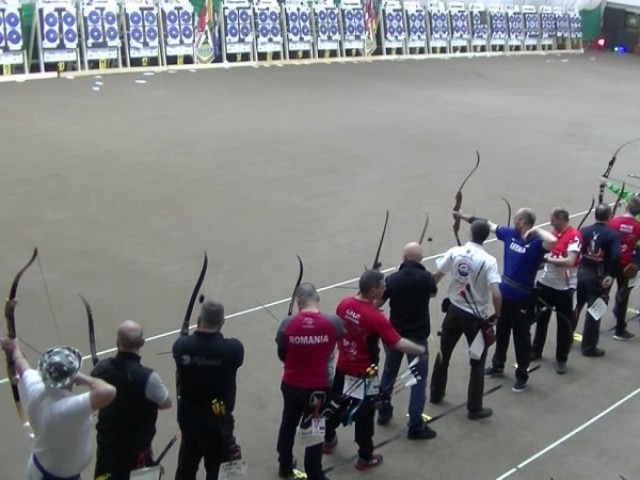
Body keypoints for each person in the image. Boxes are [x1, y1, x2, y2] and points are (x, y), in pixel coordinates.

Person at [322, 270, 427, 471]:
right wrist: (420, 350)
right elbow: (397, 342)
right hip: (365, 374)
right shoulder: (375, 317)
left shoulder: (344, 304)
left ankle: (328, 440)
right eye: (382, 286)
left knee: (335, 404)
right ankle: (365, 456)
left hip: (343, 366)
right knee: (365, 416)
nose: (385, 289)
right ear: (372, 291)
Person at [1, 306, 116, 480]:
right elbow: (108, 391)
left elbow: (21, 364)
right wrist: (84, 378)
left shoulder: (37, 387)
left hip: (44, 469)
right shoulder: (67, 408)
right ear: (70, 378)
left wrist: (14, 349)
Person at [429, 219, 502, 419]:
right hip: (475, 317)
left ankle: (435, 394)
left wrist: (430, 290)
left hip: (453, 312)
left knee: (443, 353)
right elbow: (496, 293)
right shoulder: (489, 260)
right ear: (486, 237)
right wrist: (497, 315)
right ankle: (475, 408)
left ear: (470, 233)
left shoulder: (455, 251)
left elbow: (438, 275)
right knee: (477, 362)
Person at [480, 208, 557, 392]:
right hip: (505, 296)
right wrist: (463, 216)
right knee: (502, 331)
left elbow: (553, 241)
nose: (514, 222)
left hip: (523, 299)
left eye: (517, 219)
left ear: (523, 221)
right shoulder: (509, 234)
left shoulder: (537, 242)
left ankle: (522, 374)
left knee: (521, 337)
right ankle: (498, 364)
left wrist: (537, 230)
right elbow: (489, 224)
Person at [275, 283, 344, 480]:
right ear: (318, 298)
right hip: (319, 386)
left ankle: (285, 464)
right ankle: (314, 473)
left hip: (291, 383)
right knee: (315, 426)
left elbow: (282, 353)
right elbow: (342, 337)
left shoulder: (286, 324)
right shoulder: (333, 321)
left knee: (288, 422)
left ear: (298, 302)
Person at [173, 300, 244, 480]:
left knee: (186, 466)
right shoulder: (233, 348)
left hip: (189, 419)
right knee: (217, 469)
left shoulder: (182, 346)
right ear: (222, 322)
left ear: (198, 320)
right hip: (218, 421)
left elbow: (181, 353)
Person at [92, 320, 172, 480]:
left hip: (107, 450)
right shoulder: (148, 377)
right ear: (142, 343)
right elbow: (166, 403)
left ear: (116, 342)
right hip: (136, 454)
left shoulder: (100, 369)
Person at [376, 242, 438, 440]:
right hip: (418, 337)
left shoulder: (392, 279)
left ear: (403, 258)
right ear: (420, 259)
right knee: (418, 381)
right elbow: (433, 292)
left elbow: (378, 302)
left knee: (389, 374)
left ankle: (384, 411)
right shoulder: (426, 278)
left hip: (394, 335)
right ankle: (415, 424)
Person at [531, 208, 582, 374]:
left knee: (564, 325)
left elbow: (570, 261)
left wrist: (547, 259)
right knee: (541, 318)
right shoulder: (554, 233)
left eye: (553, 220)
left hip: (564, 287)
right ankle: (536, 350)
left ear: (561, 219)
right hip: (546, 283)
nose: (551, 223)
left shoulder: (574, 236)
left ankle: (562, 358)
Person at [576, 203, 620, 356]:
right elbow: (615, 256)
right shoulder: (612, 235)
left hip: (582, 271)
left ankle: (566, 336)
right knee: (595, 311)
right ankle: (588, 347)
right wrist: (611, 275)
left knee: (577, 305)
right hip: (597, 276)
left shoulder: (584, 230)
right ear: (610, 216)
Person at [607, 194, 640, 340]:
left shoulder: (613, 222)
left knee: (601, 295)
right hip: (626, 266)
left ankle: (592, 325)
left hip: (610, 263)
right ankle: (620, 330)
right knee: (623, 296)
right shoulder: (638, 227)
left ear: (627, 206)